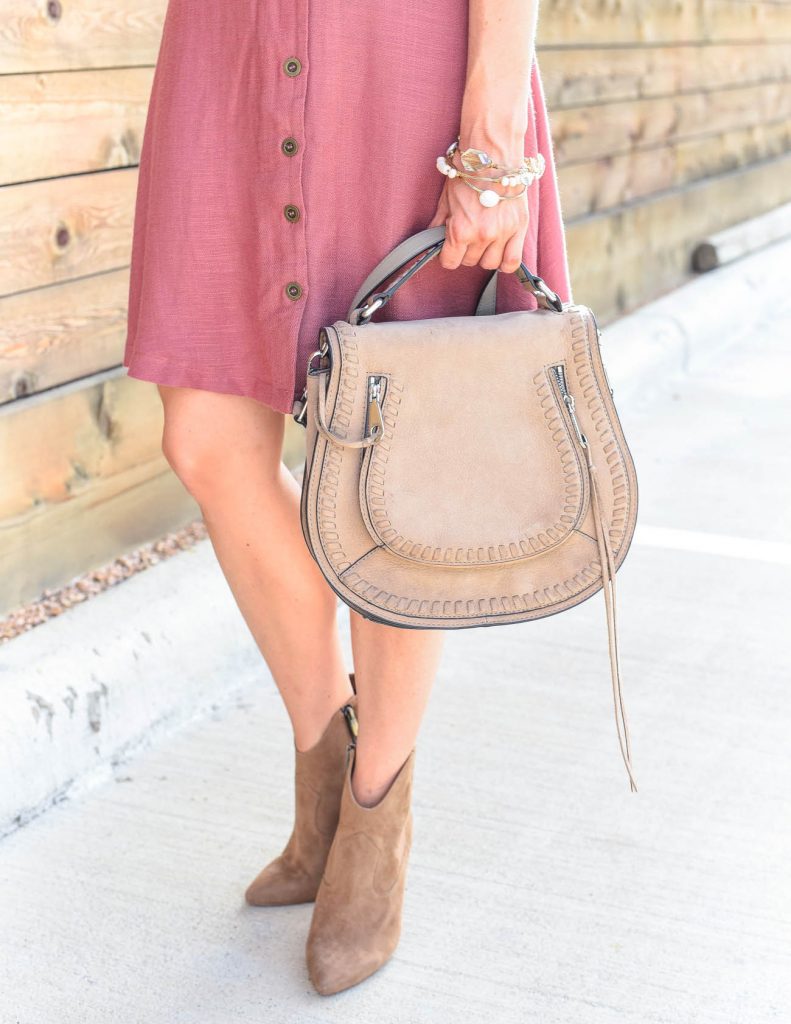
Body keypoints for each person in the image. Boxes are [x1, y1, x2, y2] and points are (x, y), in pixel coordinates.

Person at [123, 0, 571, 997]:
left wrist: (492, 125)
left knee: (401, 464)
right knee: (204, 437)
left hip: (399, 59)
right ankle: (326, 764)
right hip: (226, 55)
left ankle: (377, 813)